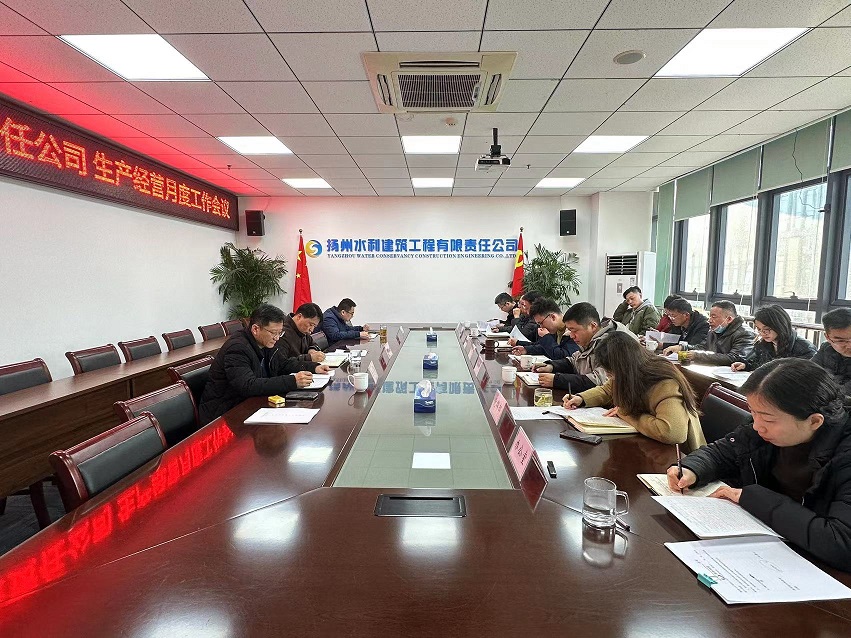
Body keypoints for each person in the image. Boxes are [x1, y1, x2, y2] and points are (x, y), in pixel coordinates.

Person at [667, 359, 851, 571]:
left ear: (814, 421)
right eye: (752, 413)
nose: (756, 426)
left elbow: (842, 543)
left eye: (768, 420)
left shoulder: (844, 453)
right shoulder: (763, 430)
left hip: (810, 570)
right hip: (766, 543)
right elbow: (724, 451)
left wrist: (752, 498)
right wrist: (692, 468)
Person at [563, 332, 705, 451]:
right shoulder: (630, 372)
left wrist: (626, 414)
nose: (608, 376)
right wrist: (581, 398)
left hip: (678, 456)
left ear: (624, 366)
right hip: (647, 443)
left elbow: (672, 433)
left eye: (610, 372)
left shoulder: (664, 382)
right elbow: (607, 390)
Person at [199, 304, 329, 424]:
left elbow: (283, 364)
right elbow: (248, 385)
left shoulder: (266, 343)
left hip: (251, 404)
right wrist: (292, 381)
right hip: (225, 414)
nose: (277, 338)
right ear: (255, 329)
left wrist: (314, 367)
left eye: (280, 333)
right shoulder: (237, 348)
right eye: (273, 333)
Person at [533, 302, 637, 392]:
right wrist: (551, 366)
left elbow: (600, 381)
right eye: (569, 330)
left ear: (593, 326)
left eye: (574, 330)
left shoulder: (614, 343)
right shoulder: (591, 338)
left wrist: (557, 380)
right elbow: (575, 360)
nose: (571, 336)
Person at [664, 300, 754, 365]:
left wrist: (696, 355)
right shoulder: (714, 330)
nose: (709, 320)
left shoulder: (745, 333)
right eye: (710, 316)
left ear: (729, 319)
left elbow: (734, 358)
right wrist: (683, 347)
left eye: (714, 317)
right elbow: (703, 347)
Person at [731, 305, 815, 371]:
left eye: (767, 329)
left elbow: (805, 375)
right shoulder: (763, 344)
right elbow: (758, 364)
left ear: (780, 326)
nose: (762, 333)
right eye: (759, 329)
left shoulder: (805, 348)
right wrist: (746, 365)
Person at [511, 297, 579, 360]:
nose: (541, 327)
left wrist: (546, 337)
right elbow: (544, 347)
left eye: (541, 323)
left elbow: (564, 357)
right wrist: (526, 350)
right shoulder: (555, 329)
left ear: (552, 317)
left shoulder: (572, 331)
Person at [813, 307, 851, 406]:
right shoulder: (826, 349)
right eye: (841, 341)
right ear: (827, 337)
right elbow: (809, 373)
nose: (849, 346)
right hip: (827, 405)